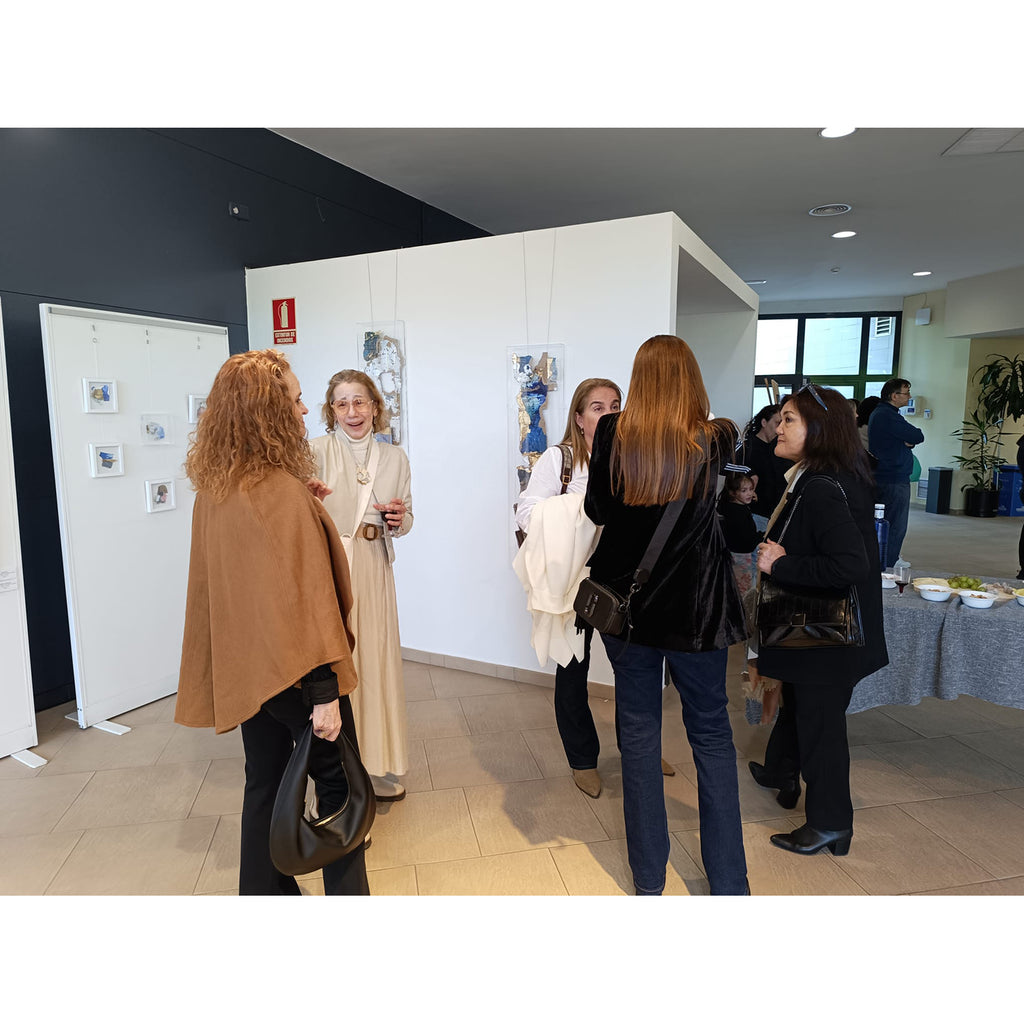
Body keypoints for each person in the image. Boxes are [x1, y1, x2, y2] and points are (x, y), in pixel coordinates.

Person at [175, 349, 369, 896]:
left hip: (249, 670)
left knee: (264, 781)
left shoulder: (217, 489)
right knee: (339, 789)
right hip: (299, 671)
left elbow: (247, 584)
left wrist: (306, 507)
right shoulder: (278, 493)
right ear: (268, 410)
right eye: (297, 399)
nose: (305, 410)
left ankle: (263, 896)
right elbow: (305, 602)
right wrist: (325, 695)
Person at [585, 334, 748, 896]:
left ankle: (649, 878)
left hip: (628, 611)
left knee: (638, 736)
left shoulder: (612, 431)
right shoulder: (717, 436)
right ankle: (729, 882)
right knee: (712, 736)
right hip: (696, 613)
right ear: (692, 379)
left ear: (638, 380)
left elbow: (597, 509)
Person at [750, 384, 888, 857]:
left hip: (827, 637)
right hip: (820, 634)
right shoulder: (822, 476)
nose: (778, 427)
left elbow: (848, 565)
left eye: (789, 419)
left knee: (821, 729)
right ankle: (781, 771)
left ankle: (830, 823)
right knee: (801, 708)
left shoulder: (824, 487)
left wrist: (781, 564)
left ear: (820, 429)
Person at [515, 377, 652, 800]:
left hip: (622, 578)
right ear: (578, 417)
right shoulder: (560, 459)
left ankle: (640, 750)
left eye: (615, 405)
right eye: (597, 407)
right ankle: (582, 760)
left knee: (635, 669)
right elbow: (527, 513)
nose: (609, 413)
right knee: (573, 667)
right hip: (574, 579)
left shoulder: (634, 458)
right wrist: (582, 507)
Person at [310, 370, 413, 801]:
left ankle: (374, 763)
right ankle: (338, 775)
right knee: (339, 667)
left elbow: (407, 518)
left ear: (374, 406)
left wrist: (399, 520)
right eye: (342, 403)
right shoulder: (315, 451)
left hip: (375, 567)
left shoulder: (395, 457)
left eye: (360, 402)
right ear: (331, 410)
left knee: (376, 662)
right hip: (331, 569)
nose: (352, 412)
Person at [867, 378, 924, 569]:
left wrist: (906, 442)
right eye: (906, 393)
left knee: (887, 523)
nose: (909, 396)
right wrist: (906, 441)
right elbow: (917, 435)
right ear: (894, 396)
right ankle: (887, 566)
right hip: (893, 478)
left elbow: (910, 439)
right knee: (894, 526)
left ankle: (883, 562)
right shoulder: (887, 415)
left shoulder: (884, 414)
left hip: (885, 476)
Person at [737, 404, 790, 531]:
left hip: (777, 514)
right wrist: (750, 473)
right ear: (764, 422)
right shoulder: (747, 447)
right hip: (754, 513)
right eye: (777, 423)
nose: (780, 428)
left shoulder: (780, 449)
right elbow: (724, 467)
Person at [717, 471, 761, 596]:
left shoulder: (731, 506)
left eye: (751, 489)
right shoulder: (738, 513)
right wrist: (761, 536)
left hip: (735, 553)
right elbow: (747, 539)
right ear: (733, 493)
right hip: (742, 555)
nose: (749, 493)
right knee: (744, 589)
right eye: (744, 490)